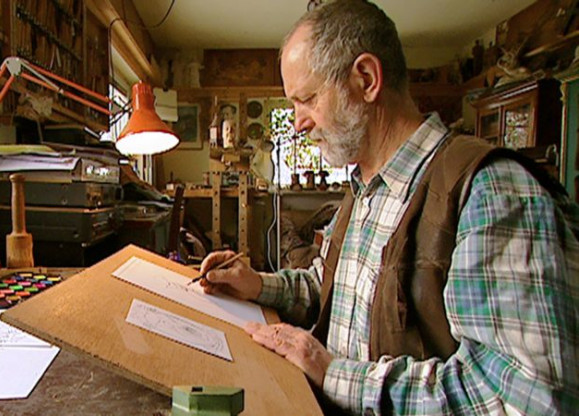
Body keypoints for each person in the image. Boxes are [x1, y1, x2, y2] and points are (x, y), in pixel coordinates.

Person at [199, 1, 579, 414]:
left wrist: (330, 371)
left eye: (306, 99)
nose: (298, 123)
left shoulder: (491, 192)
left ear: (366, 79)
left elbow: (523, 397)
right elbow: (331, 287)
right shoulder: (364, 188)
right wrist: (256, 285)